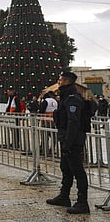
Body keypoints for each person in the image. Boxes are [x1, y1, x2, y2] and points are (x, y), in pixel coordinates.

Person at [46, 71, 90, 214]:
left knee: (77, 170)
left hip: (73, 140)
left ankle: (82, 202)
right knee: (66, 168)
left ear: (67, 81)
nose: (59, 82)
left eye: (61, 80)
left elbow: (73, 122)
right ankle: (64, 196)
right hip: (66, 138)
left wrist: (68, 143)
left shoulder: (72, 99)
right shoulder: (65, 97)